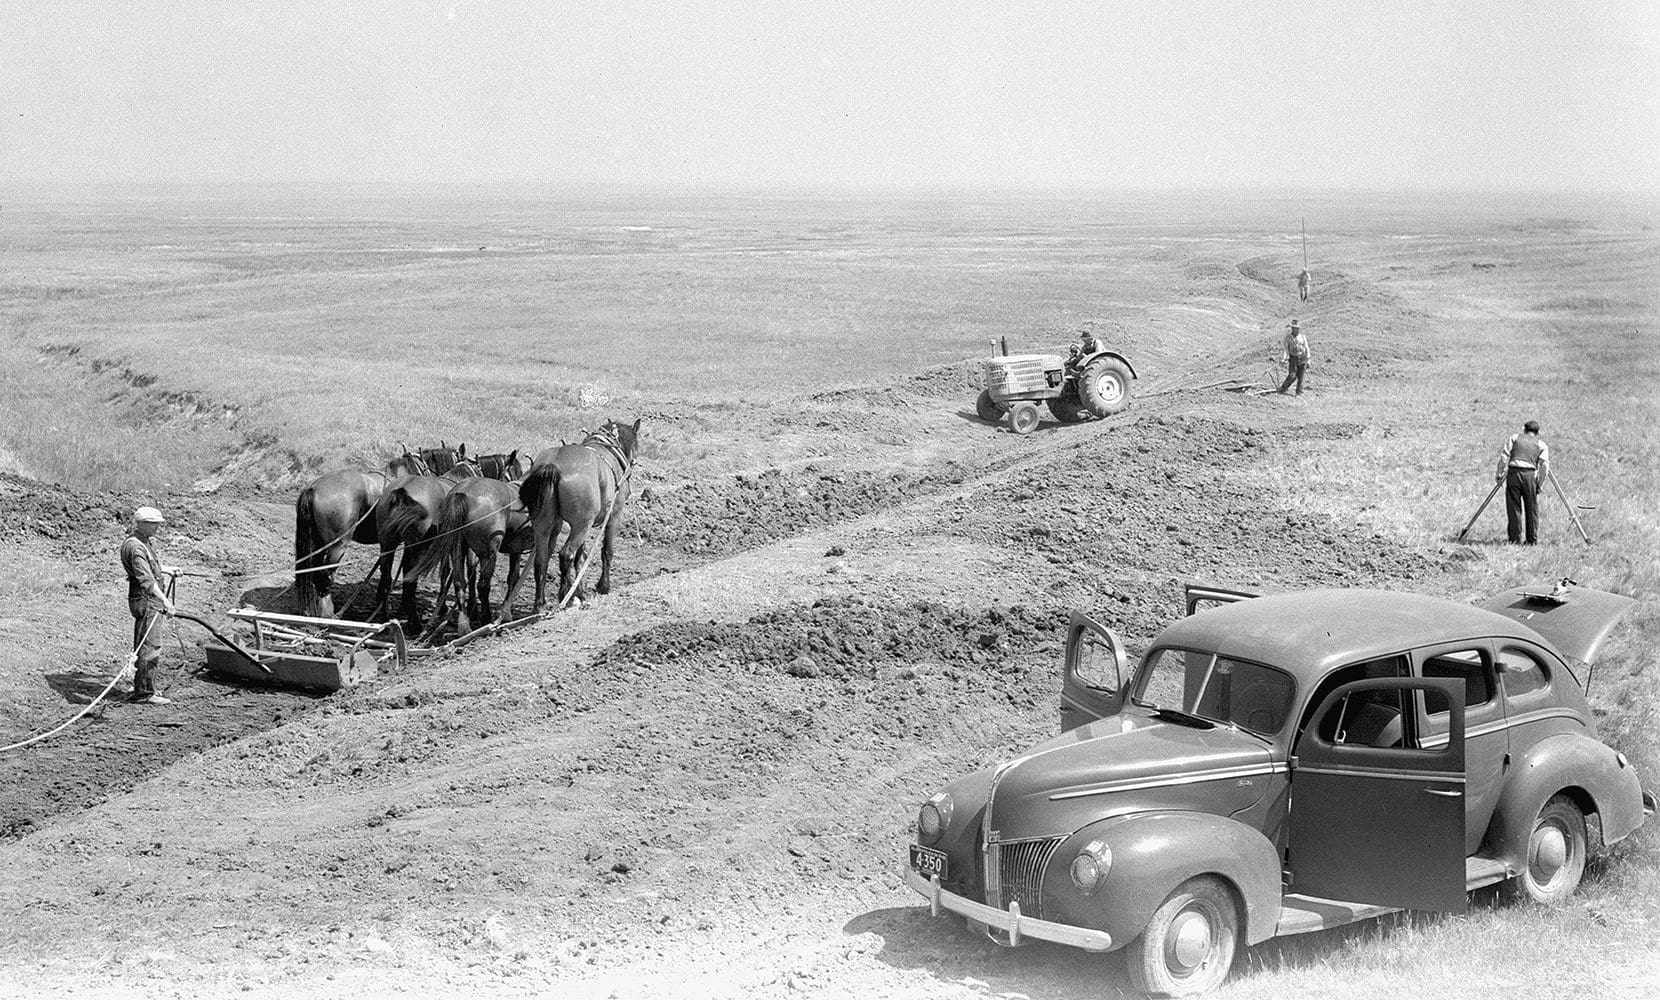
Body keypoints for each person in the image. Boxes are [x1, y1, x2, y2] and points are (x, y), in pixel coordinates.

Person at [120, 506, 177, 705]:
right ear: (142, 524)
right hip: (147, 600)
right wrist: (166, 601)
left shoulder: (141, 542)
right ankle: (144, 693)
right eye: (154, 524)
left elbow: (149, 567)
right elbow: (146, 580)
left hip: (144, 599)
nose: (158, 528)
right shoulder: (135, 547)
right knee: (150, 646)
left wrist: (167, 570)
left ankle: (141, 685)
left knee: (144, 645)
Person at [1495, 420, 1550, 544]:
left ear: (1524, 429)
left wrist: (1499, 474)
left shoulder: (1514, 438)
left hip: (1513, 473)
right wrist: (1540, 484)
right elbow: (1544, 466)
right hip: (1530, 476)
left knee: (1514, 507)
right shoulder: (1541, 445)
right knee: (1531, 508)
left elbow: (1504, 457)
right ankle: (1531, 541)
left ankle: (1514, 539)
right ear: (1537, 432)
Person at [1277, 320, 1310, 395]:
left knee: (1301, 377)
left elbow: (1307, 348)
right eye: (1294, 328)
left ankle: (1299, 392)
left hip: (1302, 358)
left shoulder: (1302, 337)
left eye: (1297, 328)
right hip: (1293, 358)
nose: (1295, 329)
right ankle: (1283, 389)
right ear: (1292, 328)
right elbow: (1286, 349)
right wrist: (1284, 358)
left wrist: (1308, 359)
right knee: (1292, 375)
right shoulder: (1288, 338)